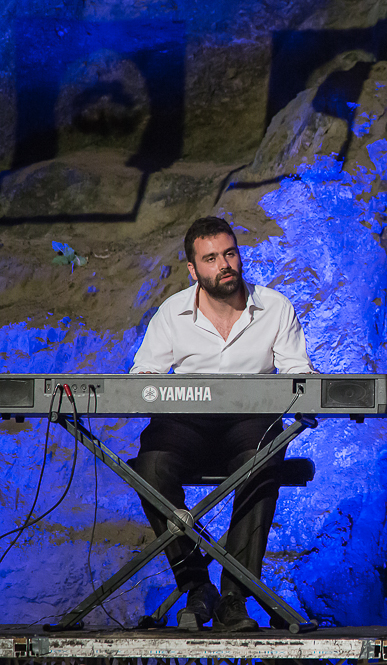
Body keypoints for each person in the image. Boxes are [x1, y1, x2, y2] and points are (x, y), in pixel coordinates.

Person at [130, 216, 315, 632]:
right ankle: (197, 586)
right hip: (186, 423)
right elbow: (144, 378)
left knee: (261, 458)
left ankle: (235, 596)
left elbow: (300, 376)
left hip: (251, 421)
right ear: (194, 270)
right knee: (150, 469)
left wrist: (302, 387)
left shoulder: (275, 307)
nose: (224, 264)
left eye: (229, 253)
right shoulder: (171, 313)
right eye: (211, 258)